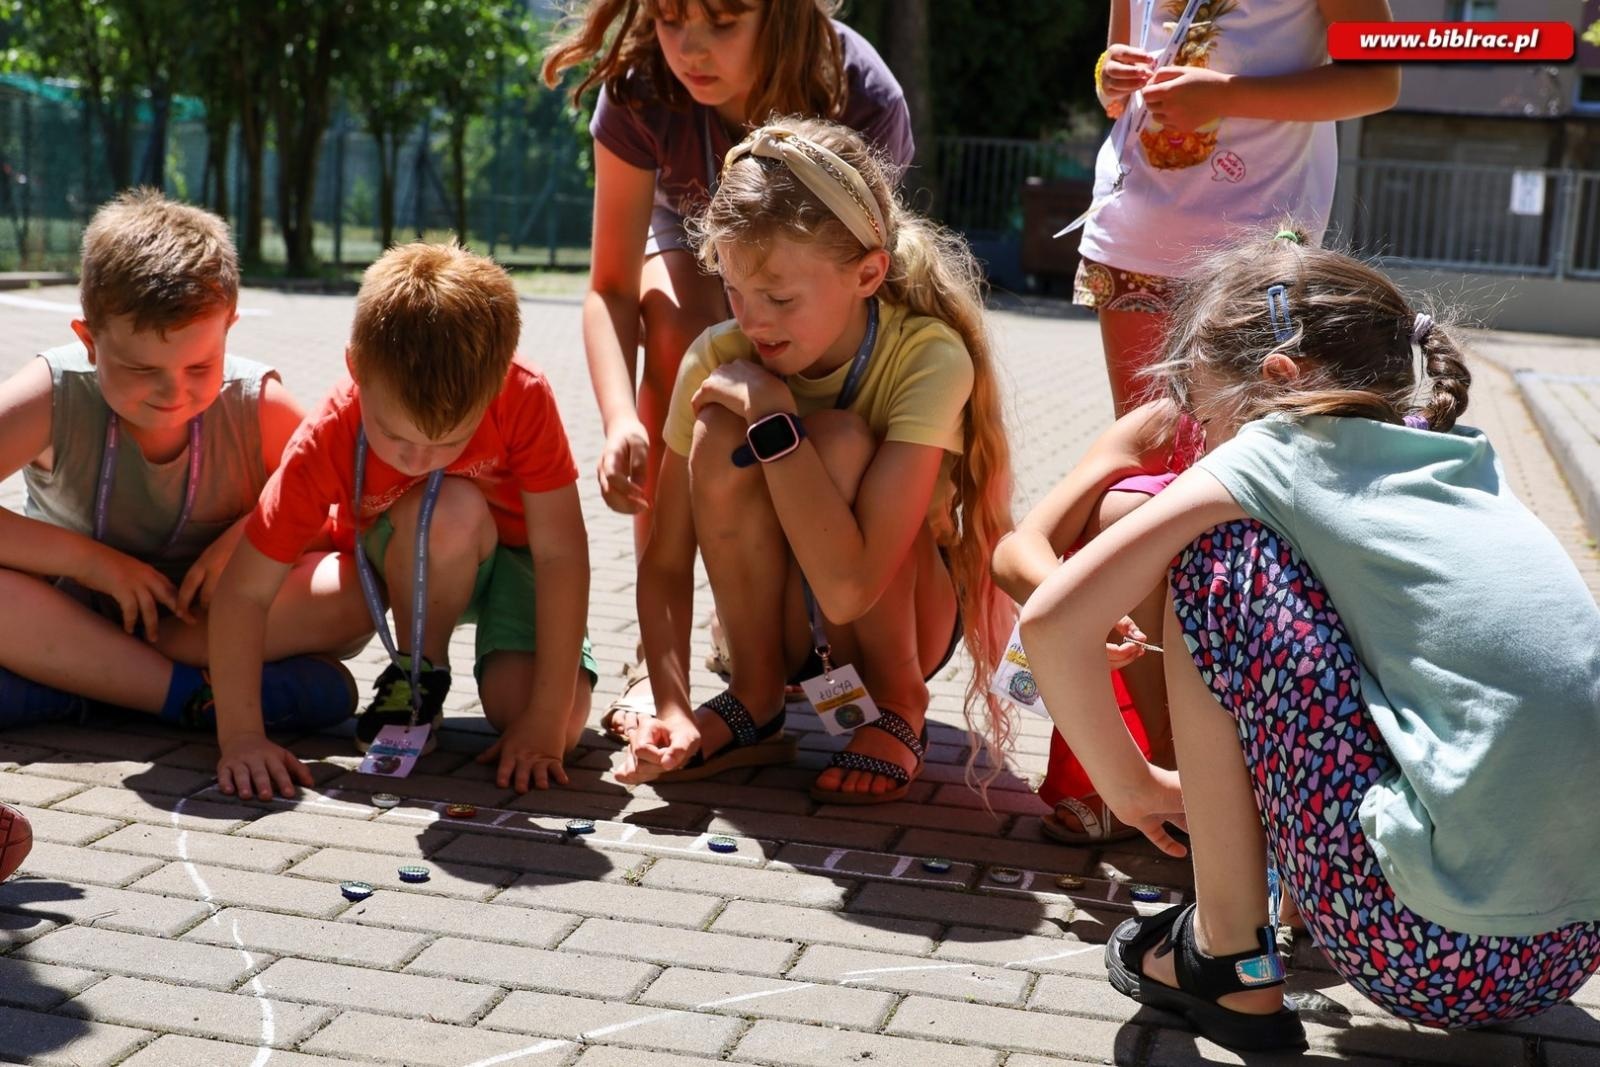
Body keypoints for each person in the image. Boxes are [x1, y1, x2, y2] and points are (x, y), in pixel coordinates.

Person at [1018, 229, 1600, 1051]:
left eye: (1207, 411)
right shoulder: (1458, 458)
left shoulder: (1278, 444)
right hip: (1568, 948)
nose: (1205, 434)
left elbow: (1051, 619)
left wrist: (1135, 789)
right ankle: (1279, 909)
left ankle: (1228, 960)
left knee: (1216, 559)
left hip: (1432, 952)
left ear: (1279, 380)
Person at [615, 118, 1014, 804]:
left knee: (839, 441)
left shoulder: (928, 356)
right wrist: (674, 707)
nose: (754, 320)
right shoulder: (717, 353)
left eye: (780, 298)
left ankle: (899, 705)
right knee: (717, 429)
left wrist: (773, 413)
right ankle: (756, 695)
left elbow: (854, 587)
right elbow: (665, 559)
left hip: (902, 618)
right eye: (736, 292)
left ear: (867, 273)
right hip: (790, 626)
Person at [209, 243, 598, 800]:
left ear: (493, 390)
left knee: (553, 727)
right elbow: (243, 594)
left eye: (450, 441)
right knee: (448, 505)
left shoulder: (523, 392)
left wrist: (542, 719)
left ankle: (493, 691)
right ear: (355, 367)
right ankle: (420, 675)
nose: (416, 461)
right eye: (395, 436)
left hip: (516, 557)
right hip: (415, 549)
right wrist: (242, 736)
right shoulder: (329, 434)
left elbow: (562, 554)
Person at [540, 0, 912, 563]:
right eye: (669, 18)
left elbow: (873, 295)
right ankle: (659, 594)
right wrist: (620, 423)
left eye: (723, 20)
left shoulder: (862, 95)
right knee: (679, 329)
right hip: (688, 232)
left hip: (814, 266)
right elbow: (610, 288)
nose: (690, 48)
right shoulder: (642, 87)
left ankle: (764, 586)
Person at [0, 189, 365, 734]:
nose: (172, 392)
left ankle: (84, 687)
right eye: (142, 369)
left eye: (199, 365)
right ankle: (186, 695)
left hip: (205, 625)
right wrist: (94, 563)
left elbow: (350, 510)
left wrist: (255, 536)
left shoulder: (257, 404)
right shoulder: (53, 392)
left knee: (356, 585)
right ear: (89, 341)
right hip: (70, 617)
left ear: (228, 328)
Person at [1079, 0, 1399, 415]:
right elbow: (1115, 90)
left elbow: (1379, 81)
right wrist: (1109, 75)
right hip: (1132, 234)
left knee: (1240, 455)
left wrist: (1226, 96)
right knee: (1148, 453)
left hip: (1253, 255)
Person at [991, 402, 1200, 842]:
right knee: (1125, 512)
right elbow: (1018, 550)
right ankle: (1163, 767)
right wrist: (1080, 610)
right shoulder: (1171, 422)